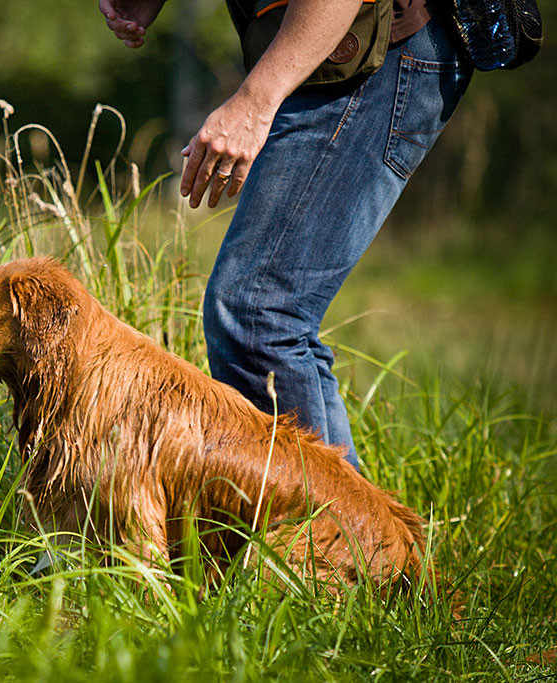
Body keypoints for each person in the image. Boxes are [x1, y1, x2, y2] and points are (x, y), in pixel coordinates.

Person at [99, 0, 471, 470]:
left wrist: (255, 100)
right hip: (338, 52)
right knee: (266, 317)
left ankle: (329, 538)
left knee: (259, 315)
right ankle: (349, 539)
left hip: (372, 50)